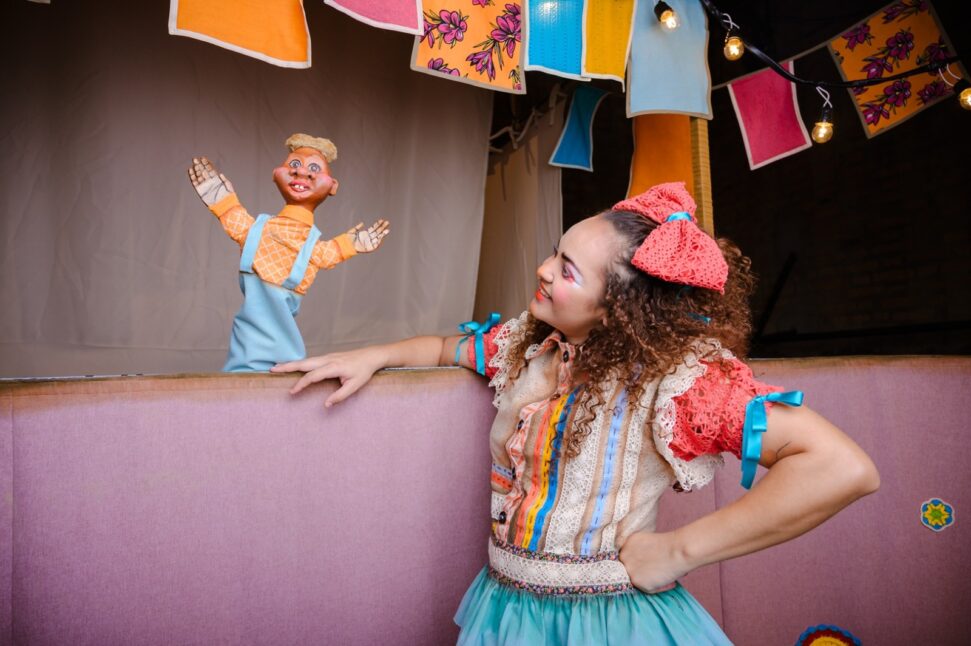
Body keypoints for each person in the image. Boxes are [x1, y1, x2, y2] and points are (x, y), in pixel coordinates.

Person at [272, 182, 879, 645]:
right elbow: (442, 348)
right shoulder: (532, 346)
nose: (543, 270)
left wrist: (680, 551)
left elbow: (841, 468)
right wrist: (371, 356)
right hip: (508, 609)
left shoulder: (676, 384)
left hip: (607, 625)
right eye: (554, 253)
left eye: (567, 270)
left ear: (615, 310)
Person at [188, 133, 390, 372]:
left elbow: (328, 252)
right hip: (245, 357)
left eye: (314, 168)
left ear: (332, 185)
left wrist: (350, 245)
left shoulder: (312, 248)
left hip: (287, 361)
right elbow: (235, 218)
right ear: (277, 174)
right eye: (294, 164)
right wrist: (222, 200)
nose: (302, 173)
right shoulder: (256, 231)